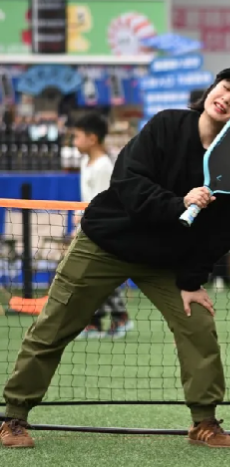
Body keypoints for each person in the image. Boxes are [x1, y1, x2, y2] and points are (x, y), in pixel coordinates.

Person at [0, 64, 230, 450]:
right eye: (225, 87)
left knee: (198, 327)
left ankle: (204, 422)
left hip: (164, 262)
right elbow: (128, 182)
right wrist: (177, 203)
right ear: (213, 87)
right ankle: (13, 417)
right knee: (54, 325)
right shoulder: (166, 125)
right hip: (106, 243)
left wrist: (191, 282)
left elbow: (219, 233)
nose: (227, 98)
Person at [72, 112, 133, 339]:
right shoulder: (84, 163)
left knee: (97, 278)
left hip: (103, 231)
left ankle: (117, 317)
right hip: (87, 228)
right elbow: (86, 199)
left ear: (92, 138)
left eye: (77, 137)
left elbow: (103, 202)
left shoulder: (104, 166)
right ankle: (94, 321)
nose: (74, 142)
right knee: (87, 279)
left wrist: (87, 219)